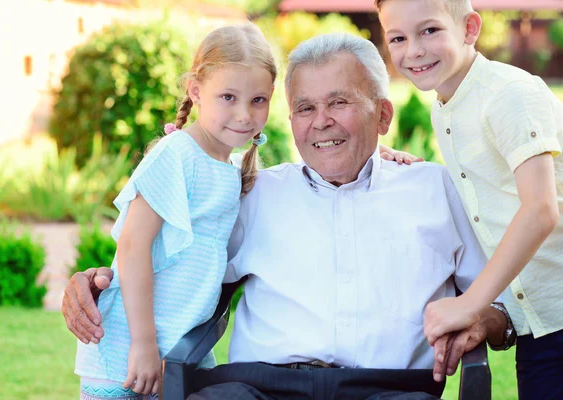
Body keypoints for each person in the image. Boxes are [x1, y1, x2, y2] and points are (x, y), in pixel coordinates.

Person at [63, 34, 511, 399]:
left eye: (339, 103)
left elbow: (504, 300)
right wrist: (99, 280)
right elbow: (174, 257)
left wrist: (488, 320)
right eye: (305, 108)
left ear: (383, 115)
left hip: (388, 389)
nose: (321, 122)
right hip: (258, 388)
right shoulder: (253, 192)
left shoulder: (436, 189)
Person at [73, 22, 277, 400]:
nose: (245, 114)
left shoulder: (230, 171)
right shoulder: (178, 155)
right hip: (127, 353)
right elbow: (133, 247)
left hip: (181, 350)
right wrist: (144, 344)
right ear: (196, 91)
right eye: (228, 97)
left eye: (258, 100)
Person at [376, 1, 563, 397]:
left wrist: (470, 304)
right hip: (540, 324)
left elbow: (541, 208)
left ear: (470, 28)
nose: (414, 50)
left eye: (429, 31)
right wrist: (408, 166)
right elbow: (489, 193)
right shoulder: (446, 107)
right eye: (398, 38)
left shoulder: (508, 94)